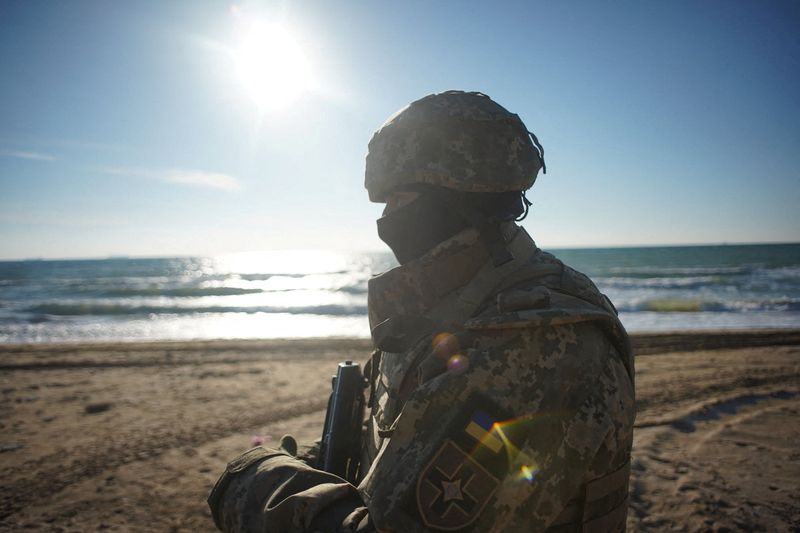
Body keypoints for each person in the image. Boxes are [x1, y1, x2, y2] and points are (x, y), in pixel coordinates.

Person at [207, 90, 635, 532]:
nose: (386, 219)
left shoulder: (532, 345)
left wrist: (254, 482)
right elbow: (393, 447)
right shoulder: (448, 306)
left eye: (398, 199)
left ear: (449, 197)